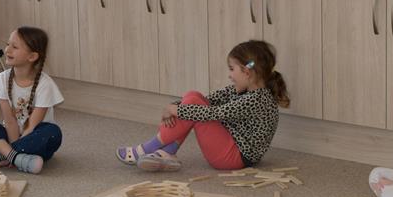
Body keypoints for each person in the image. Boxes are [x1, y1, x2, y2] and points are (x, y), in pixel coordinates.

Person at [116, 40, 288, 172]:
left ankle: (147, 148)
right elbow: (204, 100)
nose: (229, 75)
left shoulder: (257, 99)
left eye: (231, 69)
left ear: (246, 71)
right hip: (231, 147)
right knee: (193, 96)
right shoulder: (242, 90)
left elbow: (213, 113)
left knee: (195, 107)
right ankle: (167, 152)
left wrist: (175, 110)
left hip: (234, 158)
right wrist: (173, 106)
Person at [0, 26, 63, 174]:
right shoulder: (2, 80)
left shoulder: (45, 84)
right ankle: (17, 158)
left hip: (33, 137)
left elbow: (31, 126)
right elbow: (10, 122)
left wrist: (13, 148)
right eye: (7, 44)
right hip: (9, 136)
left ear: (32, 57)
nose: (7, 50)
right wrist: (13, 147)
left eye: (14, 47)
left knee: (53, 132)